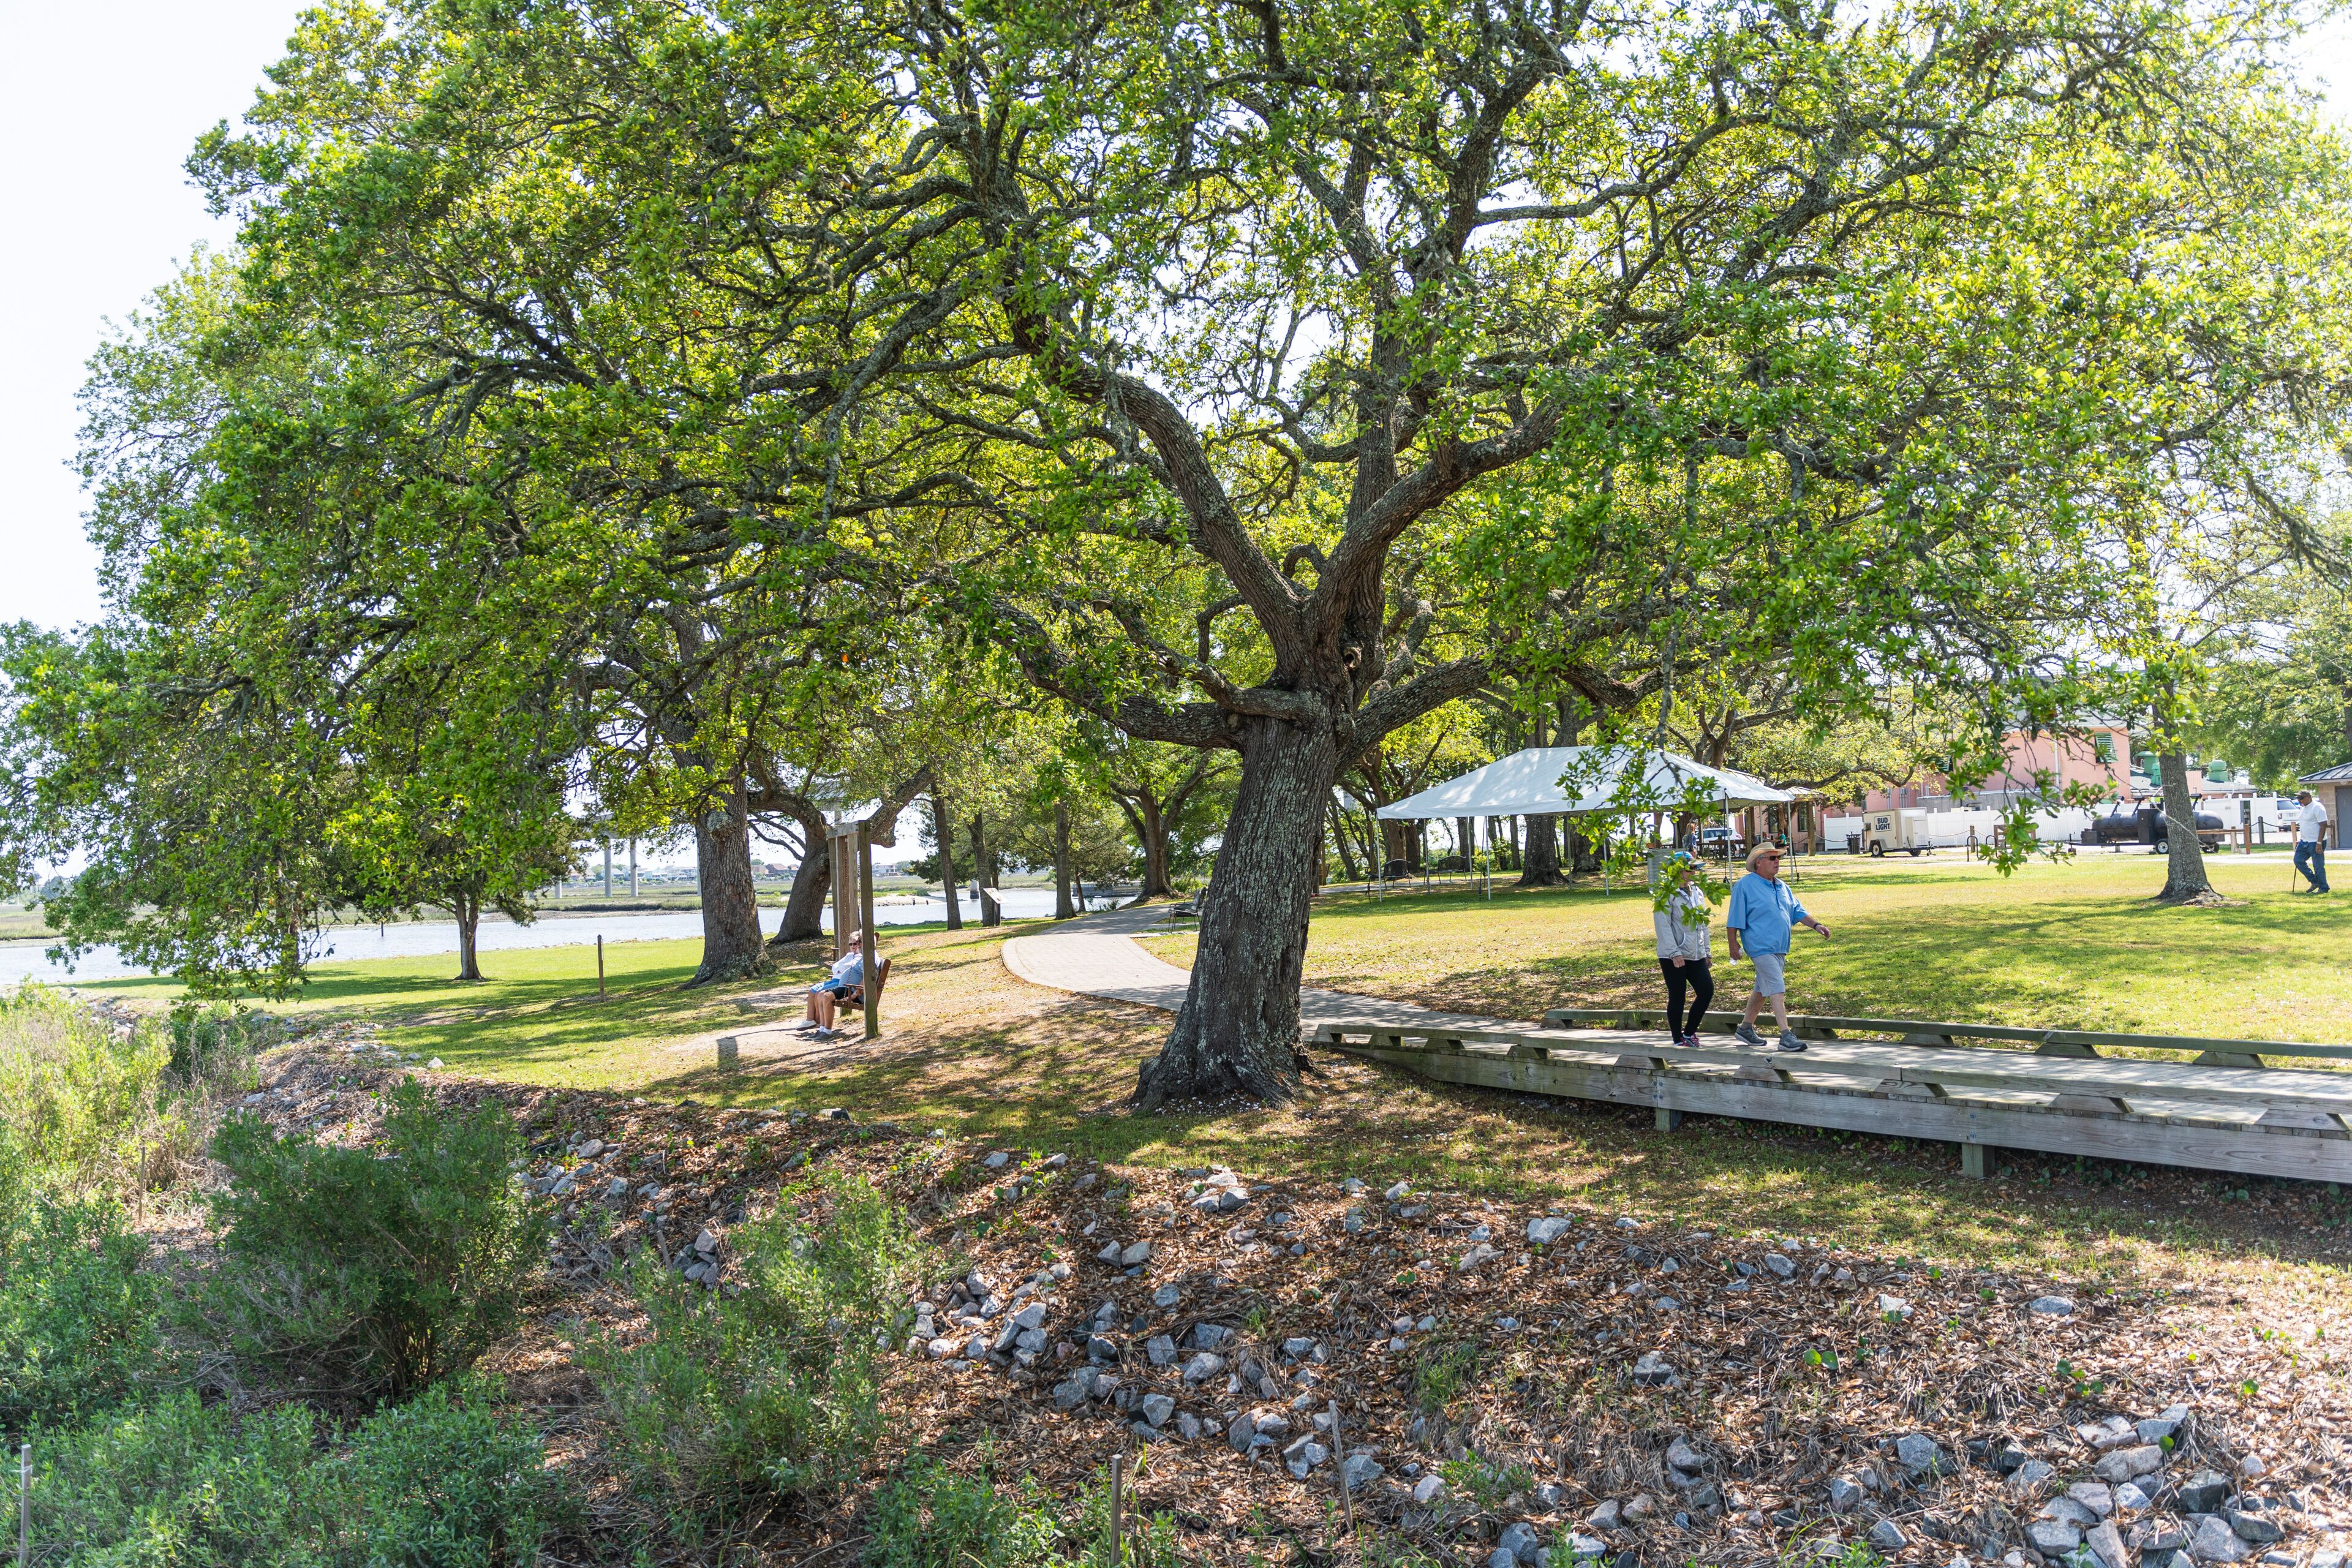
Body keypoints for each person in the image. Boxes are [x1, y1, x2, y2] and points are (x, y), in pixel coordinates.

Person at [1724, 842, 1830, 1051]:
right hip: (1759, 946)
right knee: (1777, 988)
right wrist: (1733, 944)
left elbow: (1798, 912)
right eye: (1772, 858)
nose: (1777, 862)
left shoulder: (1782, 886)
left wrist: (1817, 925)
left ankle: (1745, 1028)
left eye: (1778, 858)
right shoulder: (1744, 886)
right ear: (1758, 862)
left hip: (1780, 947)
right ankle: (1786, 1036)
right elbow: (1734, 918)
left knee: (1762, 990)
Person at [1653, 851, 1714, 1047]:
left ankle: (1689, 1033)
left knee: (1706, 991)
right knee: (1678, 996)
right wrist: (1674, 953)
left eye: (1695, 867)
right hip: (1674, 955)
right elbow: (1663, 925)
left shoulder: (1697, 891)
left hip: (1696, 953)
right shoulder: (1665, 893)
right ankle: (1678, 1039)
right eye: (1691, 867)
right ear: (1678, 870)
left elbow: (1703, 922)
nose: (1695, 871)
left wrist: (1706, 951)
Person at [797, 932, 865, 1038]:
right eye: (852, 944)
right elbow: (838, 967)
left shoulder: (866, 959)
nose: (855, 946)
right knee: (820, 994)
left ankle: (827, 1031)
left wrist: (855, 994)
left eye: (857, 943)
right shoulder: (856, 957)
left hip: (849, 989)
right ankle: (822, 1029)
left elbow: (868, 976)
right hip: (845, 986)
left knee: (826, 996)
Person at [2293, 790, 2332, 894]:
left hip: (2316, 842)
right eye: (2298, 798)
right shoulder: (2303, 808)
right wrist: (2301, 838)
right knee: (2298, 860)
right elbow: (2305, 824)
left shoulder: (2317, 807)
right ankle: (2315, 882)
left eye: (2301, 798)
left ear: (2309, 797)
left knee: (2318, 866)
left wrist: (2319, 843)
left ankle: (2323, 888)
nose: (2299, 800)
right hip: (2304, 841)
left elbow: (2323, 825)